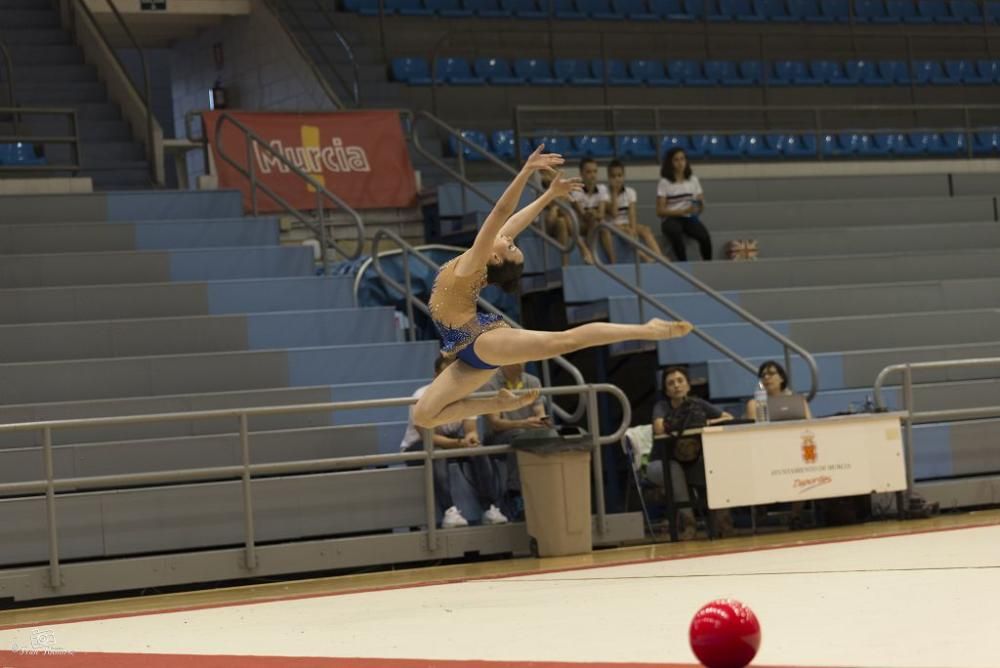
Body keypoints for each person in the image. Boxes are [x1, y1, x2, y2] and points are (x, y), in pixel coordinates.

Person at [412, 145, 694, 430]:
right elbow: (512, 222)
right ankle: (498, 403)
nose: (510, 238)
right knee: (423, 416)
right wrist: (548, 195)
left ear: (496, 257)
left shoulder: (474, 263)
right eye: (512, 244)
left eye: (510, 246)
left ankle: (649, 329)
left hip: (481, 342)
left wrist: (526, 171)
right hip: (462, 348)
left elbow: (501, 211)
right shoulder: (482, 260)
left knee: (564, 341)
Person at [400, 356, 509, 528]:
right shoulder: (421, 397)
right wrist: (459, 443)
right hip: (418, 446)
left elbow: (471, 429)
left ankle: (490, 509)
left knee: (477, 450)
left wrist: (470, 438)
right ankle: (449, 511)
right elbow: (430, 437)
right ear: (436, 375)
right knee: (437, 452)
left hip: (450, 442)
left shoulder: (465, 395)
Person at [652, 366, 734, 539]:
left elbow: (728, 418)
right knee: (675, 471)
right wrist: (679, 423)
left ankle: (723, 522)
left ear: (688, 385)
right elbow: (659, 428)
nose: (676, 386)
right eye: (671, 383)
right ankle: (689, 522)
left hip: (690, 462)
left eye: (680, 381)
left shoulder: (697, 404)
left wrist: (703, 421)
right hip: (661, 463)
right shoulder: (662, 407)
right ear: (666, 390)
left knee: (714, 466)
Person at [482, 363, 549, 517]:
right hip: (498, 436)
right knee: (518, 435)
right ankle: (515, 493)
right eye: (517, 358)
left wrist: (542, 422)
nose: (522, 363)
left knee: (551, 435)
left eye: (524, 359)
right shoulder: (490, 383)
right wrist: (524, 423)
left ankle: (546, 490)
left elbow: (541, 413)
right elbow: (495, 423)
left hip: (527, 431)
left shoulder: (533, 381)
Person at [656, 147, 712, 262]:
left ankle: (708, 263)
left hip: (688, 218)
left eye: (682, 159)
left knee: (704, 236)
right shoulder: (664, 182)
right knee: (676, 233)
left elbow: (699, 202)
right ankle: (683, 265)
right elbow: (660, 211)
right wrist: (682, 212)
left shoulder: (693, 179)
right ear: (670, 163)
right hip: (670, 218)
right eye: (676, 160)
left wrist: (700, 205)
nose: (680, 163)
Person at [606, 159, 663, 264]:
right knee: (628, 232)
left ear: (624, 176)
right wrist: (614, 193)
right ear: (609, 178)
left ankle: (660, 257)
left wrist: (633, 229)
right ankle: (645, 257)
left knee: (645, 230)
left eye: (619, 175)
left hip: (626, 224)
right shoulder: (604, 193)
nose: (617, 179)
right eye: (613, 176)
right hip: (612, 225)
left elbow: (632, 214)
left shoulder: (630, 192)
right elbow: (613, 214)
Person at [568, 157, 608, 264]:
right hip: (579, 226)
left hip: (594, 223)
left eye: (595, 171)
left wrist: (594, 214)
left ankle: (613, 262)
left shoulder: (602, 189)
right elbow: (582, 215)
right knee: (594, 221)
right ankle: (589, 253)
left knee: (604, 228)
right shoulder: (575, 190)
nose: (593, 175)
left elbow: (602, 214)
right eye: (589, 172)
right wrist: (593, 213)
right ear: (581, 174)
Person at [743, 360, 812, 421]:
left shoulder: (799, 401)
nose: (766, 377)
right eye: (763, 375)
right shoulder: (755, 404)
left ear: (781, 378)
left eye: (771, 373)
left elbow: (810, 424)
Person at [540, 173, 573, 267]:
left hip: (561, 224)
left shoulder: (560, 192)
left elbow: (571, 225)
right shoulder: (540, 189)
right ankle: (583, 248)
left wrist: (557, 204)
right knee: (560, 217)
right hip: (544, 226)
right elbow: (549, 221)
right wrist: (555, 206)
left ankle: (565, 265)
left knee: (562, 221)